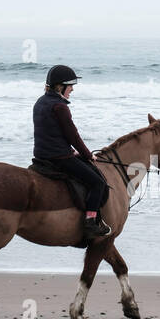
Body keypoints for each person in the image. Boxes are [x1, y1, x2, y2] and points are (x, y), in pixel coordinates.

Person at [33, 65, 112, 238]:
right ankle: (90, 221)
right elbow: (73, 136)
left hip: (42, 155)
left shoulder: (40, 101)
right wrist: (87, 155)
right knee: (98, 183)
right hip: (58, 158)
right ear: (60, 86)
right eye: (70, 86)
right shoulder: (60, 107)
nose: (73, 89)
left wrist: (71, 152)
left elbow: (50, 134)